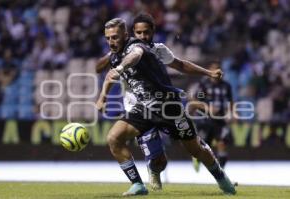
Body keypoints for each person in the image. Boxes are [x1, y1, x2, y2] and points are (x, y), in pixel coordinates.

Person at [96, 17, 236, 196]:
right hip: (143, 107)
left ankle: (221, 177)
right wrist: (102, 97)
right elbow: (107, 73)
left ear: (125, 34)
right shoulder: (115, 55)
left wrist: (121, 67)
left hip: (167, 106)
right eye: (108, 38)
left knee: (195, 149)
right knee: (114, 138)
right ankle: (139, 185)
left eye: (114, 37)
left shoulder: (136, 46)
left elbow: (136, 55)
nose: (111, 41)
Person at [190, 61, 233, 172]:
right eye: (214, 69)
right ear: (210, 71)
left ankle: (221, 172)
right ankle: (197, 159)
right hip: (205, 120)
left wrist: (231, 113)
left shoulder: (226, 86)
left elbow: (230, 101)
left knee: (222, 142)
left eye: (218, 69)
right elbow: (194, 101)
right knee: (203, 147)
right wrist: (207, 108)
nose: (217, 72)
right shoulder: (203, 85)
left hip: (220, 119)